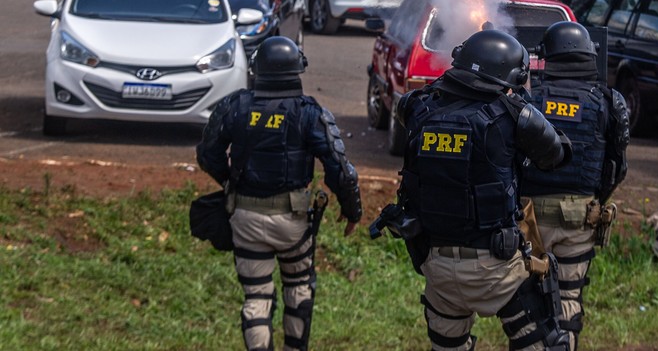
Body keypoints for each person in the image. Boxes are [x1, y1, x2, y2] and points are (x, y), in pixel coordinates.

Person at [378, 29, 573, 351]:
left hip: (436, 266)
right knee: (547, 343)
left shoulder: (417, 106)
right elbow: (557, 156)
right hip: (496, 270)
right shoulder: (513, 115)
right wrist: (521, 106)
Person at [197, 36, 362, 351]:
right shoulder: (310, 112)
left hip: (244, 218)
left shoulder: (234, 106)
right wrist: (352, 211)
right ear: (297, 70)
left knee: (256, 296)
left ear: (258, 69)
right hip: (293, 223)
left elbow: (208, 155)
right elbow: (340, 168)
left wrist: (230, 184)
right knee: (298, 289)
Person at [523, 22, 630, 351]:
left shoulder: (529, 100)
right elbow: (617, 167)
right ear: (589, 56)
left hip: (529, 220)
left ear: (548, 56)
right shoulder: (609, 101)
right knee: (567, 299)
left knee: (527, 305)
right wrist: (594, 202)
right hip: (579, 219)